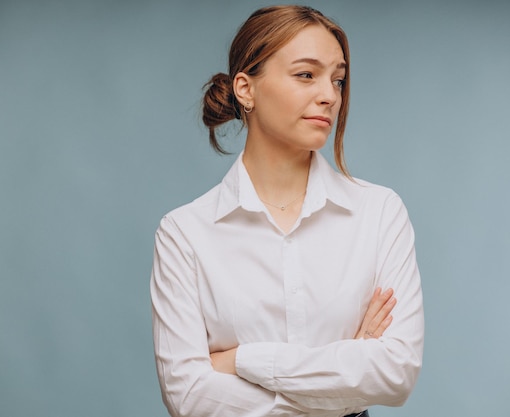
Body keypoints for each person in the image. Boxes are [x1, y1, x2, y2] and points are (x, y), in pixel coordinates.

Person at [150, 5, 424, 417]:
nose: (330, 95)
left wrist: (240, 361)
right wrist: (345, 371)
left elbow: (395, 374)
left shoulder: (379, 212)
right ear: (246, 89)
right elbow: (189, 400)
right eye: (306, 74)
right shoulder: (184, 233)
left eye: (338, 79)